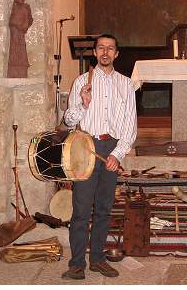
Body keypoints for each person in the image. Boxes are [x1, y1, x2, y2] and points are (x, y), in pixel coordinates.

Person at [61, 34, 137, 280]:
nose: (105, 52)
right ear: (95, 52)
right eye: (101, 48)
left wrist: (118, 153)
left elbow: (130, 125)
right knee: (81, 210)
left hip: (111, 148)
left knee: (104, 209)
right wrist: (83, 104)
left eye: (110, 48)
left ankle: (97, 259)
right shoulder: (82, 82)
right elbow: (69, 121)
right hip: (86, 147)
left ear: (117, 53)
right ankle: (76, 264)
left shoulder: (127, 84)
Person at [7, 0, 33, 78]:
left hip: (21, 31)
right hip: (14, 31)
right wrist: (16, 25)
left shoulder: (26, 7)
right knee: (14, 49)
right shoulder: (14, 7)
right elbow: (11, 21)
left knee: (21, 48)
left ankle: (22, 66)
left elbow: (30, 19)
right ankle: (14, 67)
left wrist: (24, 26)